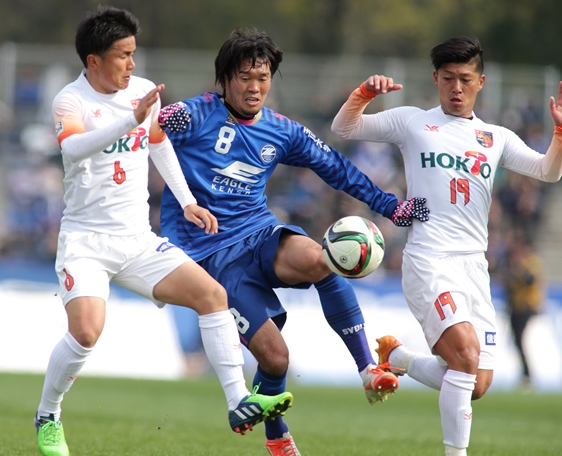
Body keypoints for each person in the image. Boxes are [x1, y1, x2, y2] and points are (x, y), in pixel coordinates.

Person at [157, 27, 429, 455]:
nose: (255, 87)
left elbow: (336, 167)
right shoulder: (197, 113)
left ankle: (366, 368)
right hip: (209, 258)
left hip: (259, 233)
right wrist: (161, 117)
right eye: (245, 77)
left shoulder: (281, 130)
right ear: (225, 79)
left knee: (323, 259)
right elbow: (154, 128)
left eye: (263, 78)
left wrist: (390, 206)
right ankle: (277, 436)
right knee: (276, 359)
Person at [34, 8, 294, 456]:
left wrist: (188, 201)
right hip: (86, 242)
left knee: (212, 295)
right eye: (123, 55)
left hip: (137, 240)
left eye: (133, 53)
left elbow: (158, 143)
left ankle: (238, 401)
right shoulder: (71, 101)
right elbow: (73, 149)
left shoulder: (141, 92)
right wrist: (129, 120)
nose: (132, 64)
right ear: (94, 60)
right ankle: (48, 415)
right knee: (86, 333)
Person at [331, 36, 562, 455]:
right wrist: (364, 94)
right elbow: (343, 127)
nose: (457, 88)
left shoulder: (495, 137)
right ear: (436, 78)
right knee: (466, 357)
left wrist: (559, 133)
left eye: (466, 79)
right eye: (449, 78)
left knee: (478, 383)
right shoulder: (413, 122)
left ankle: (398, 358)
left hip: (474, 268)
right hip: (429, 260)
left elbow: (548, 171)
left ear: (481, 82)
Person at [503, 232, 544, 389]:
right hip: (515, 306)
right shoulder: (514, 262)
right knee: (517, 341)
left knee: (520, 340)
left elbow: (530, 280)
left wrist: (518, 267)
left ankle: (527, 376)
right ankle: (525, 375)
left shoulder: (530, 261)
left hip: (525, 307)